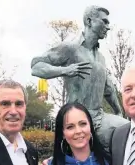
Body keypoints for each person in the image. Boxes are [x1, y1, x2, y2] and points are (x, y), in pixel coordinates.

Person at [31, 5, 128, 149]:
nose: (108, 27)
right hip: (77, 119)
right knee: (121, 135)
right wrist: (65, 70)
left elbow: (109, 89)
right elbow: (36, 66)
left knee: (128, 130)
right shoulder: (70, 49)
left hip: (98, 117)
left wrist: (119, 111)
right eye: (104, 21)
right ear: (89, 21)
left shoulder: (101, 58)